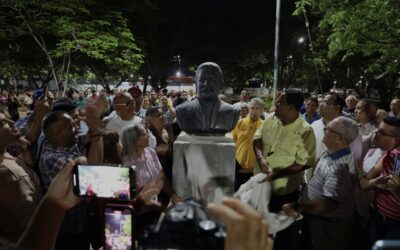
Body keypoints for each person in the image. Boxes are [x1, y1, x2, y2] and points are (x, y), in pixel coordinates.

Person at [253, 88, 316, 250]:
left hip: (285, 194)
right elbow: (257, 139)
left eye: (280, 102)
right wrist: (260, 158)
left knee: (283, 237)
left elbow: (305, 162)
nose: (276, 105)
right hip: (261, 188)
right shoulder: (270, 119)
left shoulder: (305, 130)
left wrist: (276, 174)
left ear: (292, 108)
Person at [283, 116, 359, 250]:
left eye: (328, 129)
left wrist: (296, 207)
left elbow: (327, 205)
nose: (324, 130)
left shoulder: (340, 168)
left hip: (327, 226)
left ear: (340, 138)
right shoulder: (332, 153)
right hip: (317, 220)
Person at [39, 102, 103, 250]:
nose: (77, 129)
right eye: (72, 127)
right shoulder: (54, 159)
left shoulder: (65, 142)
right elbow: (91, 178)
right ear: (57, 134)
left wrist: (94, 119)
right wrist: (96, 131)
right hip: (68, 231)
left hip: (82, 222)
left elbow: (89, 138)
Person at [0, 111, 43, 242]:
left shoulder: (5, 154)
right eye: (2, 123)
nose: (11, 122)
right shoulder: (9, 174)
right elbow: (34, 226)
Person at [359, 117, 400, 244]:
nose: (375, 134)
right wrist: (374, 183)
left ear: (397, 140)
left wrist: (398, 191)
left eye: (382, 132)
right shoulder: (387, 157)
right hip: (376, 218)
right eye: (377, 129)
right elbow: (363, 183)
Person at [175, 62, 239, 134]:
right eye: (202, 80)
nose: (206, 84)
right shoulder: (182, 111)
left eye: (211, 80)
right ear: (196, 83)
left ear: (221, 84)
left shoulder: (232, 112)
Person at [232, 98, 263, 191]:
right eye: (253, 108)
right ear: (249, 109)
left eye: (258, 108)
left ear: (262, 110)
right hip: (238, 169)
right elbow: (232, 142)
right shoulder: (240, 123)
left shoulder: (264, 126)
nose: (255, 111)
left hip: (255, 171)